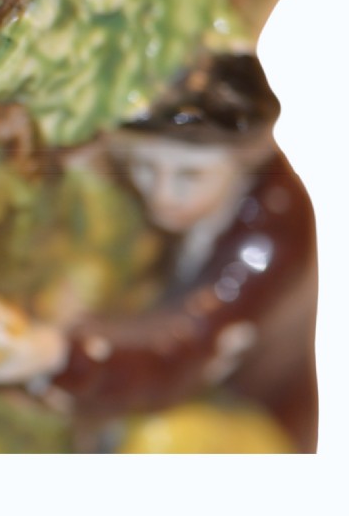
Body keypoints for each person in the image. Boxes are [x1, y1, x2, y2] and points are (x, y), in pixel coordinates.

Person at [54, 52, 319, 452]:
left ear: (245, 162)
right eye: (146, 168)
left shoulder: (273, 231)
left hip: (241, 413)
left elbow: (188, 350)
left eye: (190, 175)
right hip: (126, 378)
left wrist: (56, 354)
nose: (163, 195)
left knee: (162, 442)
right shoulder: (148, 200)